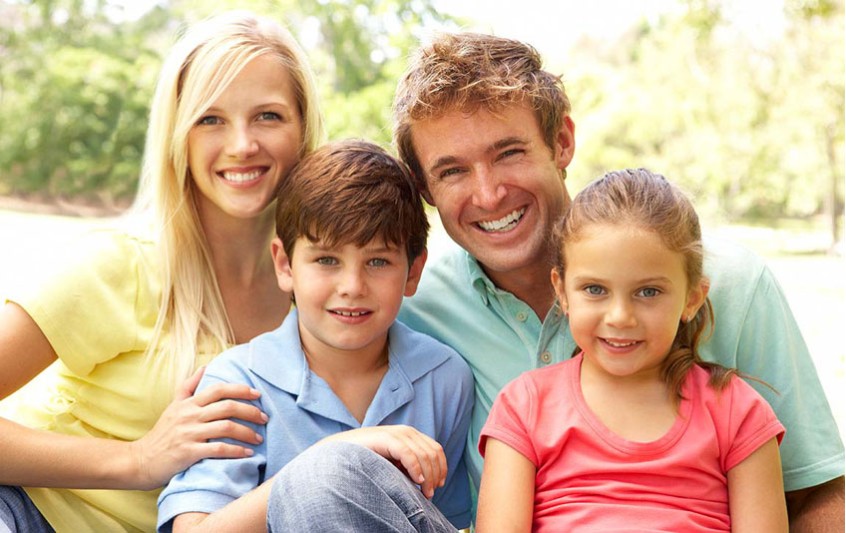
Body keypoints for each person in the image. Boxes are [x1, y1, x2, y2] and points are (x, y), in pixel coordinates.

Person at [392, 31, 844, 530]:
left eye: (509, 152)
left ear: (561, 142)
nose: (489, 193)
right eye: (452, 171)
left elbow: (817, 492)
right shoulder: (412, 307)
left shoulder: (732, 281)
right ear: (425, 189)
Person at [0, 11, 323, 532]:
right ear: (179, 133)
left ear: (303, 127)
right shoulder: (120, 265)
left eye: (267, 116)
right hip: (33, 513)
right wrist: (138, 459)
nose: (242, 143)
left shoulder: (321, 293)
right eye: (210, 119)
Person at [156, 139, 473, 532]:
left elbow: (441, 520)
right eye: (327, 260)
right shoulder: (237, 384)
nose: (352, 286)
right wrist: (334, 455)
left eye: (377, 261)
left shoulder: (444, 377)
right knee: (322, 473)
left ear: (412, 271)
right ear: (285, 264)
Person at [475, 168, 788, 532]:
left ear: (692, 298)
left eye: (648, 292)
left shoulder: (736, 412)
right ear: (562, 292)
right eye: (594, 289)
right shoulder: (524, 406)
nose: (620, 317)